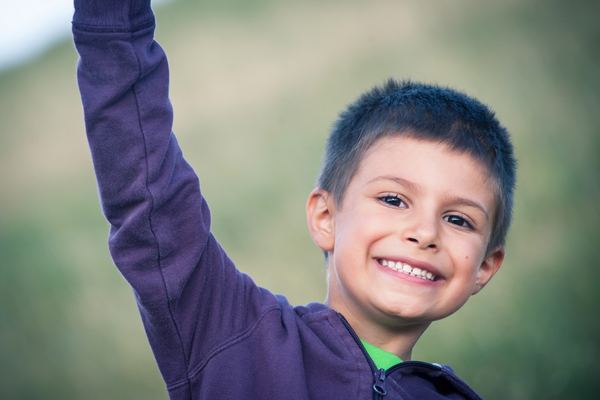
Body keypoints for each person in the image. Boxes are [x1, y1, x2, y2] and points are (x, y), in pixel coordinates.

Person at [72, 0, 516, 399]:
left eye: (458, 220)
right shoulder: (234, 335)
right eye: (394, 200)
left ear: (485, 267)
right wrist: (112, 25)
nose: (425, 232)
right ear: (325, 216)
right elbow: (149, 200)